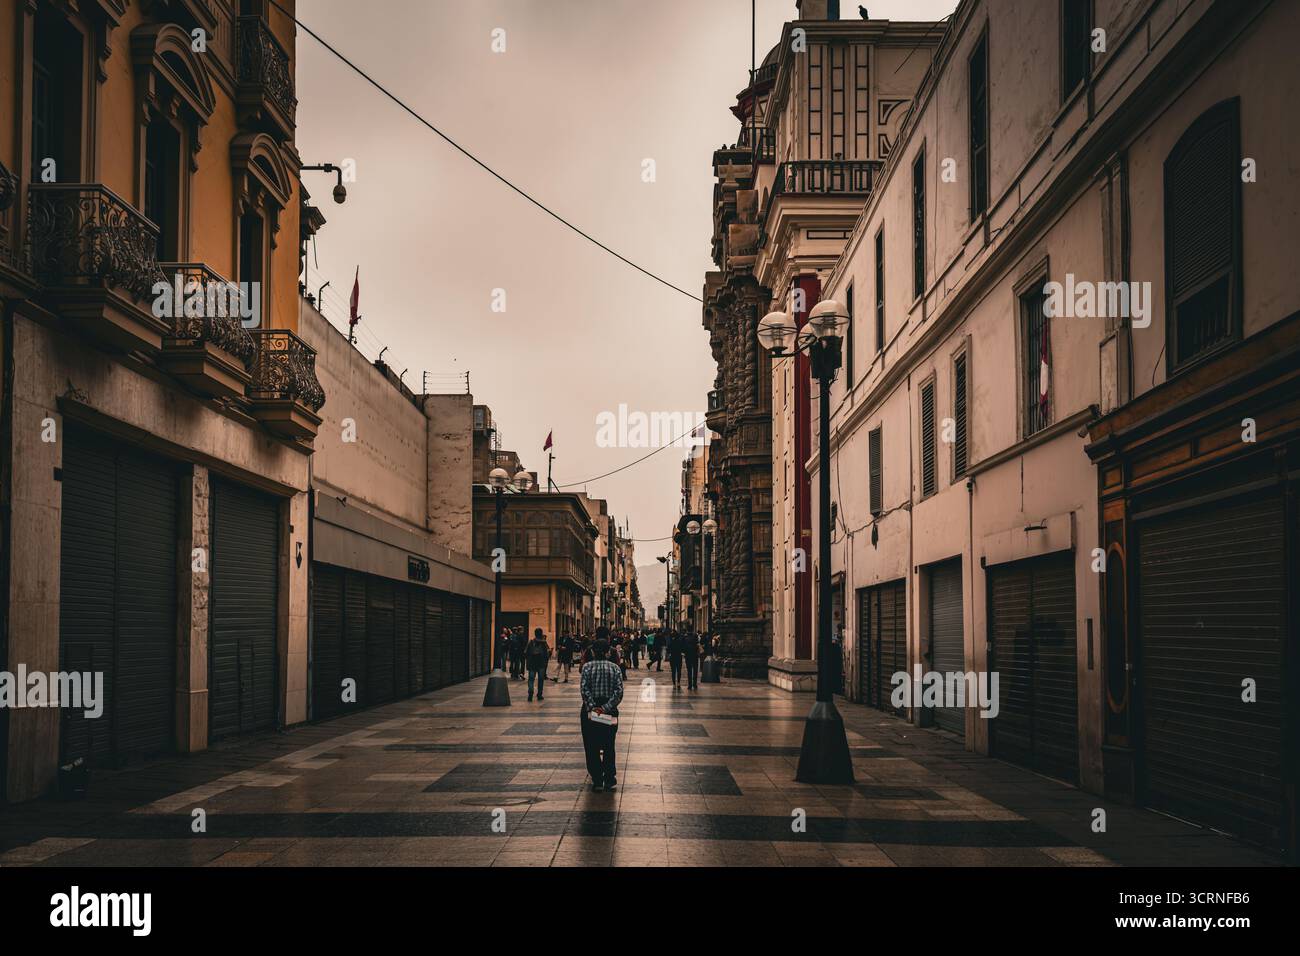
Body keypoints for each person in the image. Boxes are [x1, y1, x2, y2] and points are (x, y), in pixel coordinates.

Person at [579, 629, 623, 792]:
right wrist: (605, 708)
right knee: (609, 743)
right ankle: (609, 778)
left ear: (592, 651)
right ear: (607, 652)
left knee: (591, 744)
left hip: (590, 711)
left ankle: (597, 779)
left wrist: (594, 708)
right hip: (610, 711)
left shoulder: (587, 668)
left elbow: (584, 690)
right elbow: (619, 692)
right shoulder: (615, 668)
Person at [525, 627, 551, 701]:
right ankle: (539, 694)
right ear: (541, 634)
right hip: (541, 663)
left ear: (535, 634)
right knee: (540, 679)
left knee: (531, 679)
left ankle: (530, 693)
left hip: (532, 663)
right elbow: (547, 653)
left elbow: (526, 652)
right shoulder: (544, 643)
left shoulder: (531, 642)